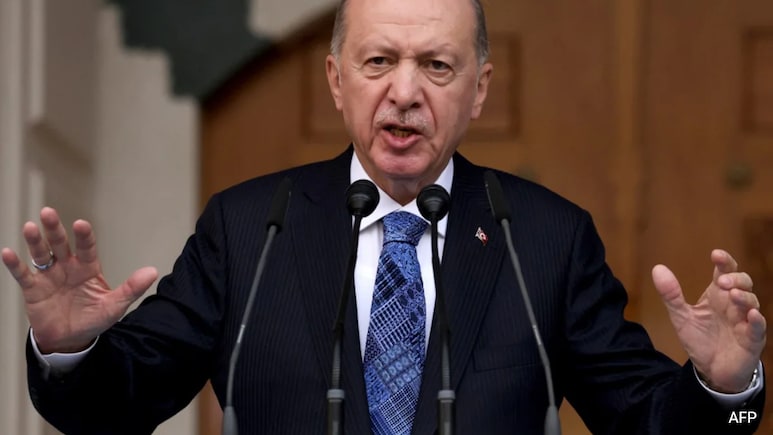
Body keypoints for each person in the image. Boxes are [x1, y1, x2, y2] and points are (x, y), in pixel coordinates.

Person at [1, 0, 767, 433]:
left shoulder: (542, 238)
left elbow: (650, 422)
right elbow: (112, 406)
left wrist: (723, 388)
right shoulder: (249, 228)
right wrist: (69, 351)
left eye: (436, 65)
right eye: (378, 62)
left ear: (479, 89)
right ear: (337, 80)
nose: (404, 92)